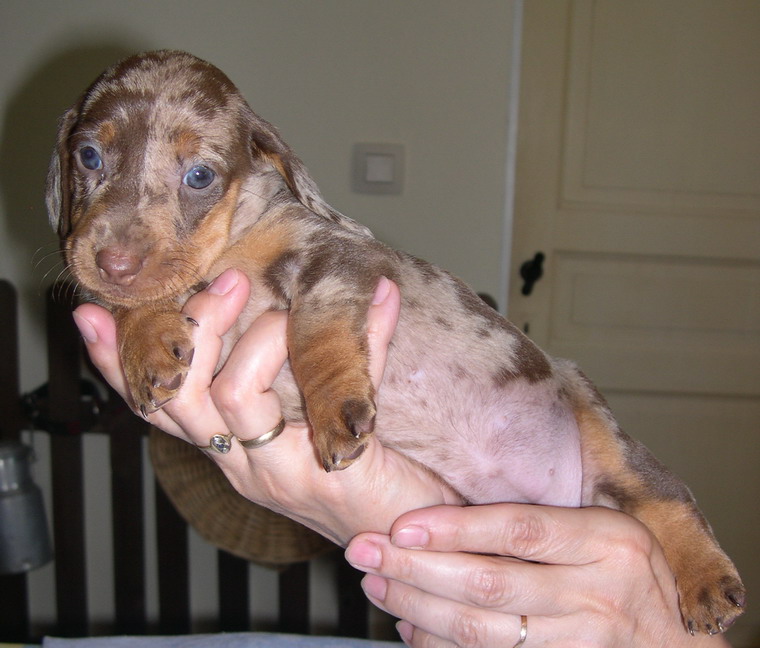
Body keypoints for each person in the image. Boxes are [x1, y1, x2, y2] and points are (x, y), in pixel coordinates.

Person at [73, 269, 731, 647]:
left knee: (615, 455)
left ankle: (682, 530)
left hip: (553, 432)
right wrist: (384, 504)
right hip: (458, 475)